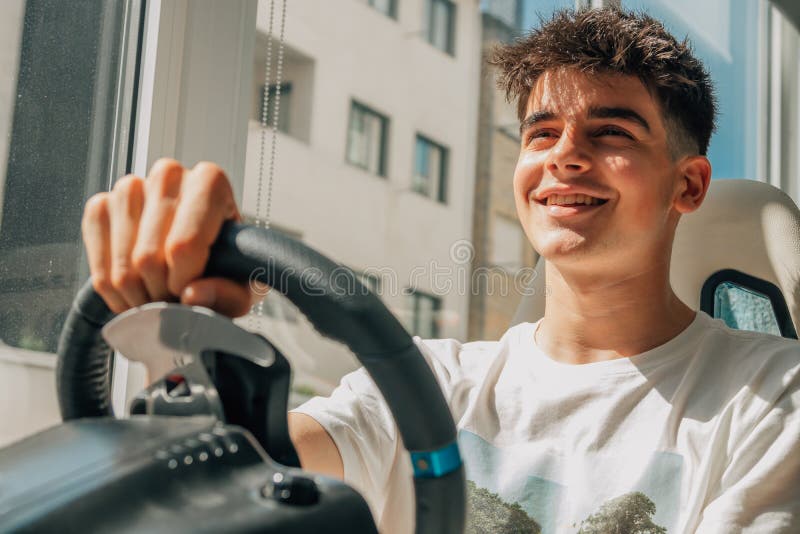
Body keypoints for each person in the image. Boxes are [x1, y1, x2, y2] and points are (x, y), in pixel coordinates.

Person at [81, 7, 800, 534]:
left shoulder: (776, 398)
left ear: (690, 185)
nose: (563, 155)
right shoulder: (423, 382)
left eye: (611, 131)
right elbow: (260, 466)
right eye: (541, 132)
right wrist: (190, 337)